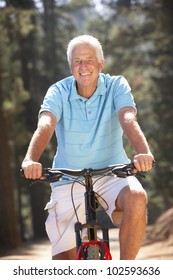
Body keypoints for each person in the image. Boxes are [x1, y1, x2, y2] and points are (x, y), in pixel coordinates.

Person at [21, 35, 154, 260]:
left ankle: (126, 271)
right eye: (77, 61)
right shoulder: (58, 91)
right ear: (71, 66)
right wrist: (30, 159)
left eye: (89, 60)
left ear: (101, 64)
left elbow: (127, 118)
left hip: (113, 173)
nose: (83, 66)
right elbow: (46, 123)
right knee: (64, 260)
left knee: (137, 197)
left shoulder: (116, 85)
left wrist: (143, 152)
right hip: (67, 177)